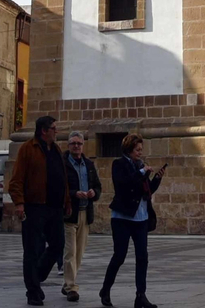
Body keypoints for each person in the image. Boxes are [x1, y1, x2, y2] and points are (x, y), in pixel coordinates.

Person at [10, 114, 72, 307]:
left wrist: (67, 201)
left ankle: (37, 274)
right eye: (54, 128)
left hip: (54, 207)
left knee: (57, 245)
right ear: (44, 131)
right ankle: (33, 292)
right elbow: (16, 180)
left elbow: (62, 178)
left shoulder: (56, 149)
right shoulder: (28, 149)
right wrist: (19, 203)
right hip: (34, 207)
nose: (56, 132)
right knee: (32, 249)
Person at [101, 133, 163, 308]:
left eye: (141, 150)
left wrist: (157, 179)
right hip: (122, 218)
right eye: (137, 150)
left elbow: (146, 190)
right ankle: (105, 289)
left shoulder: (140, 166)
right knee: (119, 256)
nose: (140, 153)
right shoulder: (119, 165)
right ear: (128, 149)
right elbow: (123, 184)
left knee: (142, 256)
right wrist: (142, 172)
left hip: (141, 218)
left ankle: (140, 295)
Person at [61, 132, 102, 303]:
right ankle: (71, 287)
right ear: (68, 145)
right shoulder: (63, 164)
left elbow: (98, 187)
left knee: (79, 253)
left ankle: (67, 283)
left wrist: (94, 193)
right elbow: (58, 189)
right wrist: (73, 194)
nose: (76, 146)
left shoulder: (89, 164)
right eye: (73, 143)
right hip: (70, 213)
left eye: (79, 143)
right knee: (70, 251)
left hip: (86, 212)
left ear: (83, 145)